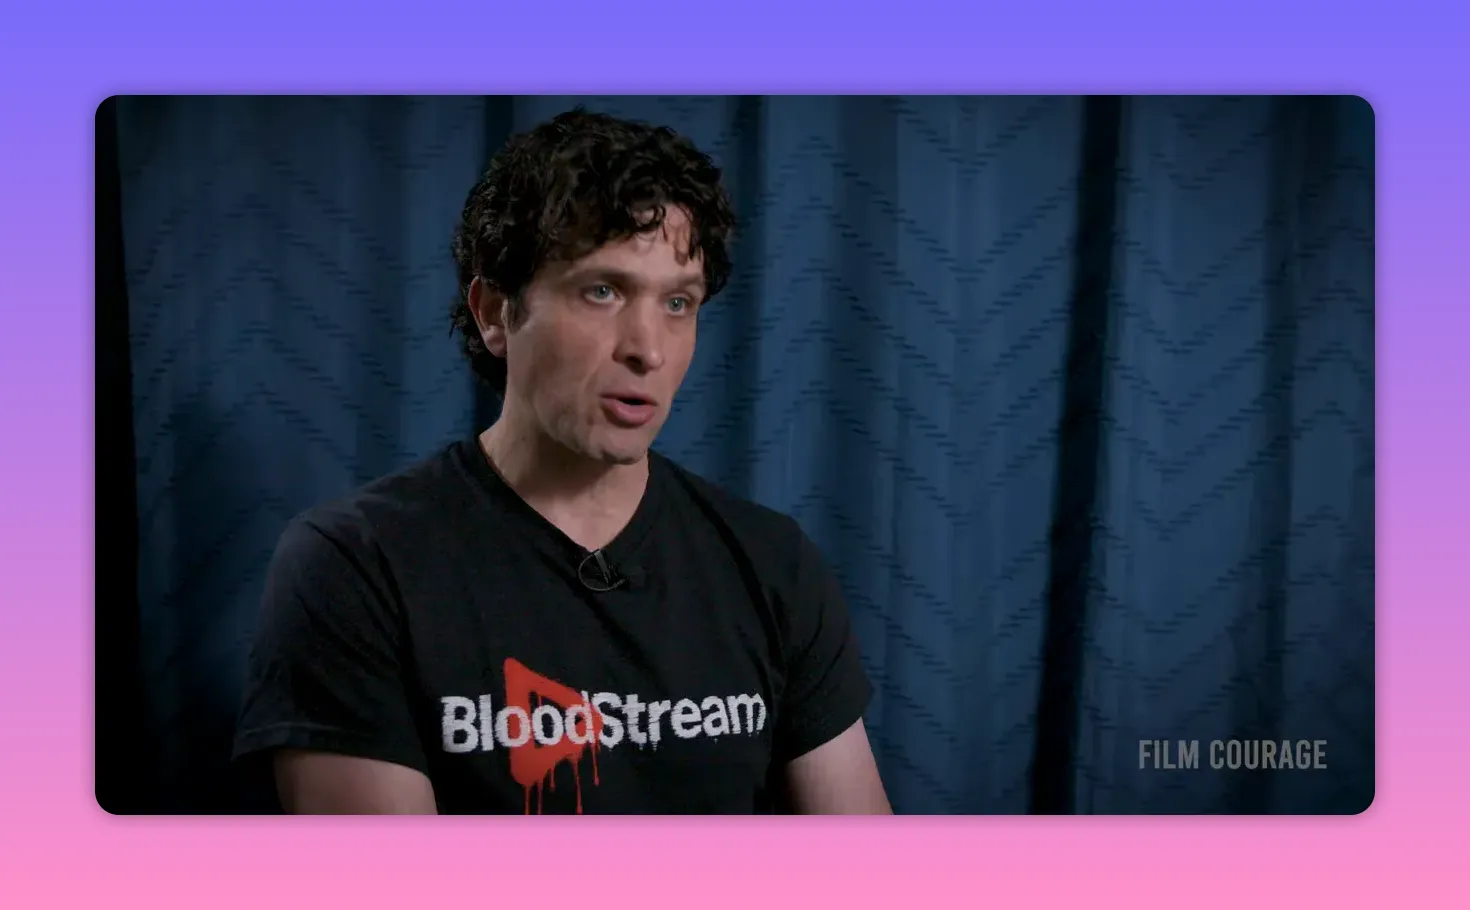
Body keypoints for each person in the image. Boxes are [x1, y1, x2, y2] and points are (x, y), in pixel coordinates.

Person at [232, 108, 892, 815]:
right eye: (602, 291)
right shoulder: (356, 566)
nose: (648, 348)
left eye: (677, 302)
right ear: (494, 312)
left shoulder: (772, 564)